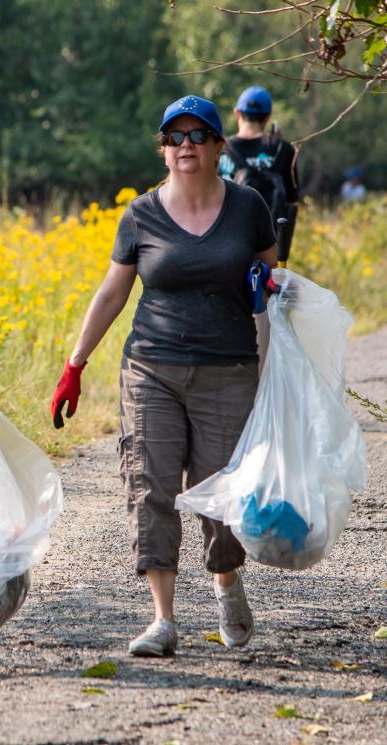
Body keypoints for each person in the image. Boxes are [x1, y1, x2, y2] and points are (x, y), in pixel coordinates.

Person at [50, 95, 278, 657]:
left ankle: (226, 583)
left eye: (199, 136)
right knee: (149, 486)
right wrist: (74, 364)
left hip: (229, 368)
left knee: (220, 497)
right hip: (150, 366)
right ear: (163, 149)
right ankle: (162, 619)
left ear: (220, 147)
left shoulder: (248, 207)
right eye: (175, 137)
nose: (186, 146)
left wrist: (271, 313)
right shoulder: (141, 215)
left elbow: (273, 279)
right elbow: (112, 291)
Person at [219, 85, 299, 267]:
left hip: (227, 246)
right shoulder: (284, 149)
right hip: (270, 247)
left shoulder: (221, 149)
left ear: (237, 113)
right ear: (268, 117)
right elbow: (292, 203)